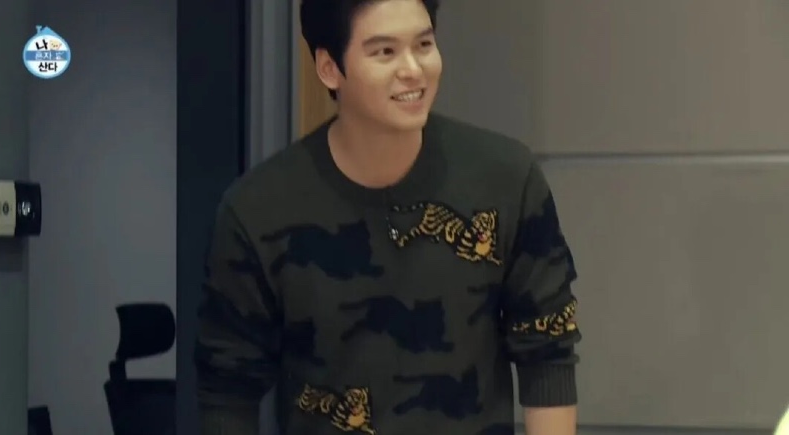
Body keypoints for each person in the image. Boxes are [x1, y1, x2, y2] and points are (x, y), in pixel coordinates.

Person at [195, 0, 581, 434]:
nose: (413, 69)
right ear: (329, 68)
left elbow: (548, 351)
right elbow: (226, 390)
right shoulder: (257, 211)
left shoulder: (506, 180)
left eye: (424, 45)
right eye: (385, 52)